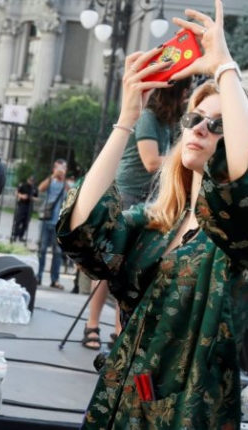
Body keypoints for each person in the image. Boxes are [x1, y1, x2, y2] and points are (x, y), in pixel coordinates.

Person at [58, 1, 248, 426]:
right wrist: (127, 118)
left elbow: (241, 182)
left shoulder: (234, 239)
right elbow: (81, 230)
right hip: (120, 408)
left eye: (218, 124)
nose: (201, 127)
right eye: (195, 117)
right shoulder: (155, 222)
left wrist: (225, 69)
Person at [82, 79, 193, 350]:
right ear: (176, 92)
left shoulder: (168, 123)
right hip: (128, 195)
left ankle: (120, 330)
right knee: (108, 262)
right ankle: (92, 324)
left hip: (151, 198)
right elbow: (151, 161)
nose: (188, 95)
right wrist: (187, 158)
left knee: (132, 267)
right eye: (186, 90)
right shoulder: (148, 118)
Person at [36, 159, 68, 289]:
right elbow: (40, 188)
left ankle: (55, 280)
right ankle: (38, 276)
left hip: (59, 223)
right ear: (54, 169)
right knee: (42, 249)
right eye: (58, 168)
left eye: (63, 168)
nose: (60, 171)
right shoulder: (50, 182)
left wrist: (64, 180)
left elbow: (73, 195)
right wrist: (53, 176)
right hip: (46, 220)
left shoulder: (66, 185)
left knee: (58, 252)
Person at [10, 175, 35, 243]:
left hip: (29, 206)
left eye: (32, 181)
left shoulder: (34, 188)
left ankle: (21, 236)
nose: (31, 182)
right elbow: (16, 192)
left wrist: (31, 198)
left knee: (26, 222)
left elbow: (37, 197)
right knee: (18, 220)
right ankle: (14, 235)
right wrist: (21, 196)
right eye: (30, 180)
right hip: (22, 205)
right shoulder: (23, 185)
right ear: (28, 180)